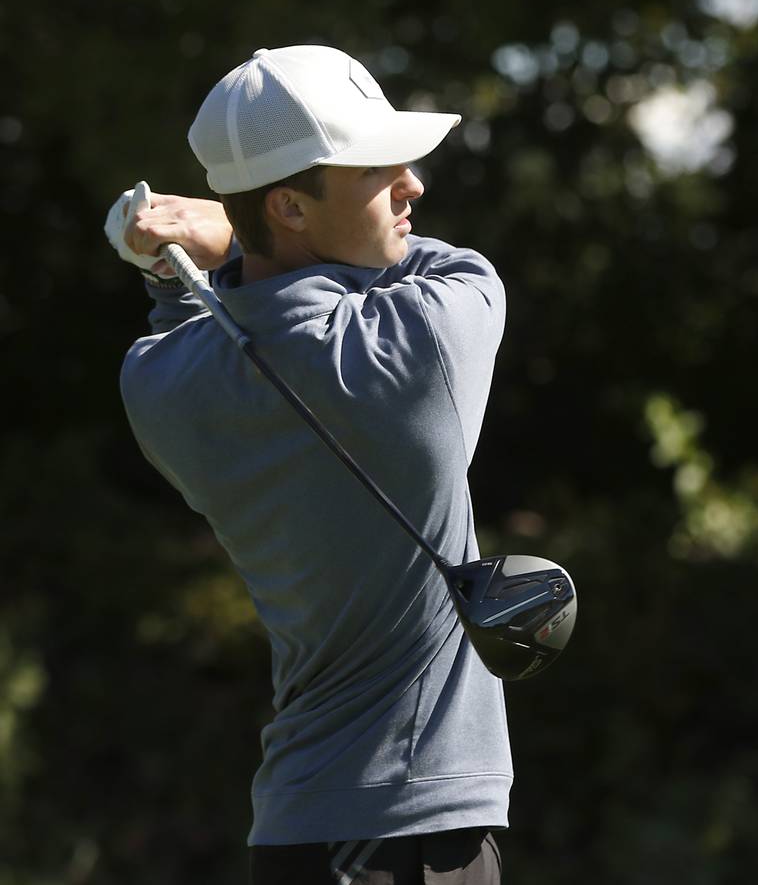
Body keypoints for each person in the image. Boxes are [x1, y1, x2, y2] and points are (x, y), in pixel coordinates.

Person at [109, 45, 510, 885]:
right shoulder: (423, 342)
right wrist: (219, 243)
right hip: (407, 839)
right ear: (288, 205)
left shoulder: (159, 386)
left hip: (296, 831)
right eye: (377, 168)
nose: (414, 186)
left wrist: (216, 252)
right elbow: (452, 267)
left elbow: (204, 320)